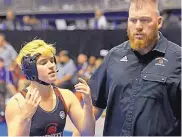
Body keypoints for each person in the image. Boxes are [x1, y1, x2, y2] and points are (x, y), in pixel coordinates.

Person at [74, 0, 181, 136]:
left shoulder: (178, 60)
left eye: (145, 20)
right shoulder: (114, 56)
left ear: (159, 22)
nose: (138, 26)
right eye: (133, 20)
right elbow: (94, 107)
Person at [5, 40, 95, 136]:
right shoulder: (17, 103)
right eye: (43, 63)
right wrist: (25, 119)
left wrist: (88, 104)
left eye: (52, 60)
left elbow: (88, 133)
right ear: (30, 69)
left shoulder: (66, 96)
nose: (51, 65)